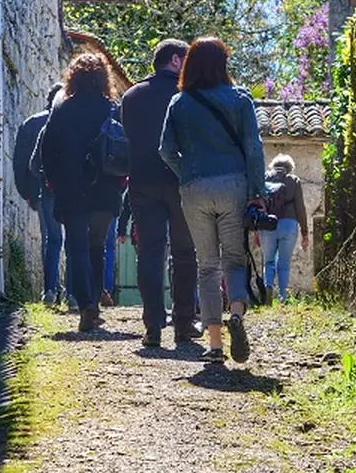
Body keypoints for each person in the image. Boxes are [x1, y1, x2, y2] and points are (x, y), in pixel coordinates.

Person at [159, 37, 266, 363]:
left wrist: (187, 173)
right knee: (234, 259)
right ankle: (236, 312)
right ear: (222, 64)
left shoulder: (179, 103)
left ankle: (216, 345)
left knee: (207, 265)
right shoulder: (240, 99)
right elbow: (253, 148)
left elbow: (165, 150)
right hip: (234, 185)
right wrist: (257, 194)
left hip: (194, 188)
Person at [121, 39, 203, 348]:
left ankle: (153, 325)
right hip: (180, 181)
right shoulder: (186, 96)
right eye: (186, 60)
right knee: (184, 253)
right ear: (175, 60)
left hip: (142, 182)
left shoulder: (131, 96)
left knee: (150, 254)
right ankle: (183, 323)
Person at [39, 54, 125, 331]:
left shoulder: (62, 109)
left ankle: (86, 304)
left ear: (72, 77)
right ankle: (95, 304)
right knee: (97, 248)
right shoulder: (112, 109)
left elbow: (47, 151)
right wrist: (121, 181)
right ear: (104, 78)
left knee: (75, 247)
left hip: (71, 189)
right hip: (105, 189)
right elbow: (125, 149)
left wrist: (54, 182)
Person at [14, 84, 66, 306]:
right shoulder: (67, 124)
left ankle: (50, 290)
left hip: (41, 191)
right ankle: (73, 294)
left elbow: (21, 163)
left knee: (51, 239)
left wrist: (27, 192)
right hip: (68, 190)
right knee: (71, 240)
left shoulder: (32, 123)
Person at [255, 154, 309, 303]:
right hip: (289, 225)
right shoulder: (294, 180)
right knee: (284, 263)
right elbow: (300, 207)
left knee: (269, 261)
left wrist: (256, 232)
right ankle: (283, 296)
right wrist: (305, 232)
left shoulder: (265, 178)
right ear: (289, 168)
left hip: (267, 224)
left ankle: (268, 287)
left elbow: (258, 204)